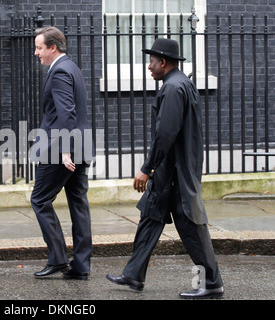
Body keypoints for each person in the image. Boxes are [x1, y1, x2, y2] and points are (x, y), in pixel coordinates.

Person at [106, 38, 224, 298]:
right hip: (171, 171)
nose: (148, 67)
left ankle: (211, 282)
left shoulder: (173, 88)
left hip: (176, 172)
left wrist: (147, 168)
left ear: (163, 62)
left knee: (191, 227)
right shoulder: (181, 83)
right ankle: (133, 275)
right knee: (150, 217)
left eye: (151, 61)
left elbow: (166, 134)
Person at [30, 26, 94, 280]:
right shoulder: (72, 67)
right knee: (78, 203)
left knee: (39, 199)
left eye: (39, 47)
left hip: (61, 149)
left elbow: (67, 112)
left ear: (53, 47)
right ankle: (81, 265)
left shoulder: (59, 72)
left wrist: (65, 150)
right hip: (81, 145)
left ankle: (57, 258)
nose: (36, 53)